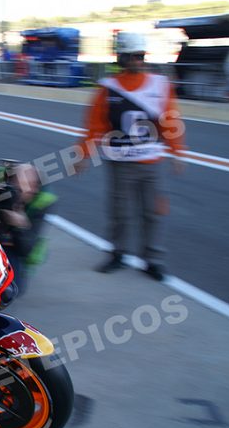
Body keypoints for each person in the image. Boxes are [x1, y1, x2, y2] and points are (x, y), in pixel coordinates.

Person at [78, 32, 186, 281]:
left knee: (152, 213)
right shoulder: (108, 88)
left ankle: (153, 260)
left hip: (152, 163)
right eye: (133, 56)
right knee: (120, 212)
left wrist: (177, 152)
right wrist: (83, 154)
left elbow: (170, 120)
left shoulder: (160, 84)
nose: (138, 61)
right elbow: (95, 125)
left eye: (141, 56)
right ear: (122, 57)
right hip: (120, 164)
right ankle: (118, 254)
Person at [0, 162, 57, 295]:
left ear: (35, 189)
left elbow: (27, 249)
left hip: (11, 246)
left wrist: (20, 226)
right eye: (14, 183)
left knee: (10, 289)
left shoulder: (40, 203)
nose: (16, 190)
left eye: (25, 186)